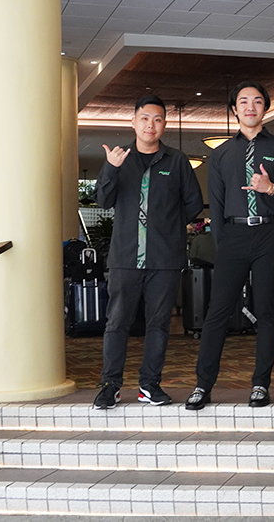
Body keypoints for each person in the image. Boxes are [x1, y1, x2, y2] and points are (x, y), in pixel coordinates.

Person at [185, 81, 274, 410]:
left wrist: (270, 190)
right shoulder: (222, 153)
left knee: (267, 310)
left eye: (257, 101)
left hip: (270, 233)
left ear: (265, 107)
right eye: (243, 101)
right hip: (234, 236)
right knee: (217, 312)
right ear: (234, 109)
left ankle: (260, 384)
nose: (250, 106)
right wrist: (223, 245)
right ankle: (202, 385)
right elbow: (217, 206)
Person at [93, 95, 203, 409]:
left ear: (164, 125)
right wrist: (111, 169)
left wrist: (168, 226)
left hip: (164, 259)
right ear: (134, 122)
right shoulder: (119, 159)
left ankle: (149, 385)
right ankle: (110, 385)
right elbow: (102, 200)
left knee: (159, 324)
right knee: (117, 322)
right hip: (125, 257)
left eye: (156, 119)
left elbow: (193, 203)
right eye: (144, 118)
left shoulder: (177, 161)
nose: (150, 125)